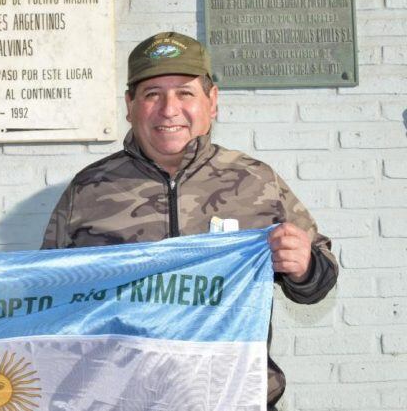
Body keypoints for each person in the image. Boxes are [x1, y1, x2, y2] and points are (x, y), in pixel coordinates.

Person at [42, 32, 337, 409]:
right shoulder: (88, 190)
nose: (169, 109)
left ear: (212, 102)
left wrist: (304, 266)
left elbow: (319, 280)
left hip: (235, 399)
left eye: (185, 92)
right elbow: (47, 295)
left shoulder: (257, 181)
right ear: (129, 105)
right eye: (152, 94)